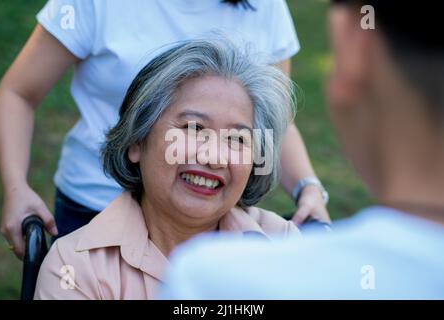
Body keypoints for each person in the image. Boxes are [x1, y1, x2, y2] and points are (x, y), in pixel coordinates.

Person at [0, 0, 329, 260]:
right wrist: (15, 188)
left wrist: (307, 186)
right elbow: (18, 93)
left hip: (209, 215)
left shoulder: (264, 7)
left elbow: (275, 121)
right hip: (94, 208)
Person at [159, 0, 444, 299]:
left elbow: (279, 124)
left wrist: (307, 187)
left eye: (238, 138)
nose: (211, 154)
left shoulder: (214, 282)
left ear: (352, 48)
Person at [34, 38, 300, 299]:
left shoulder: (283, 245)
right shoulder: (74, 267)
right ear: (137, 140)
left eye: (237, 139)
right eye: (193, 128)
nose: (213, 157)